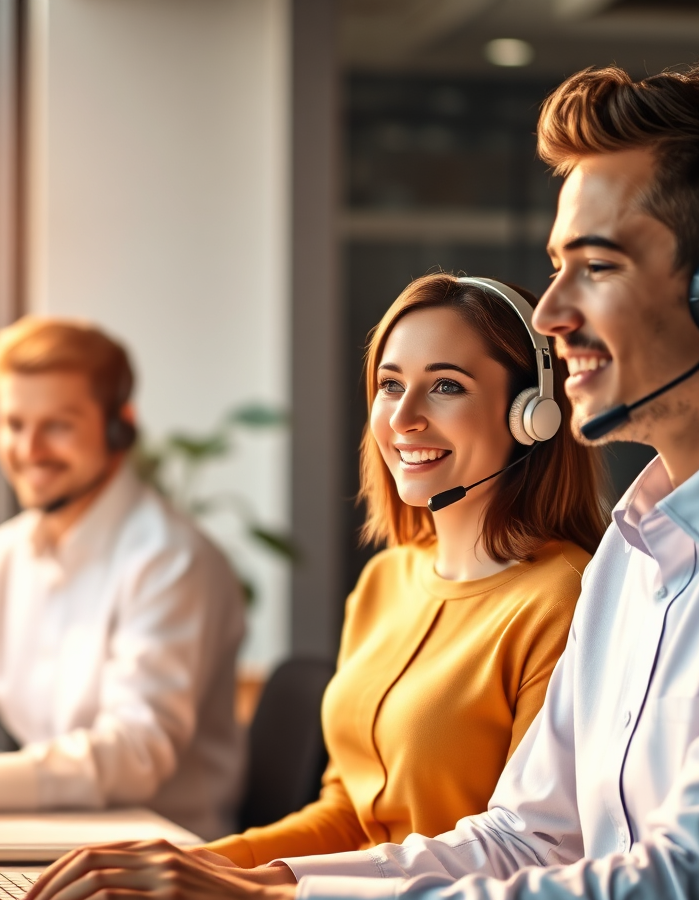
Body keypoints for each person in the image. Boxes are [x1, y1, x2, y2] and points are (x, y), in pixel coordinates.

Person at [12, 55, 699, 900]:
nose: (550, 315)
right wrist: (251, 886)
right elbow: (525, 838)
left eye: (595, 266)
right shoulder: (636, 546)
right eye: (555, 270)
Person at [196, 273, 606, 869]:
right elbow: (346, 816)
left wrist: (260, 889)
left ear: (530, 415)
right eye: (390, 385)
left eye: (445, 385)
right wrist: (201, 865)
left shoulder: (563, 598)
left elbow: (530, 853)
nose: (404, 417)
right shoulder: (385, 583)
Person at [0, 317, 245, 840]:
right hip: (46, 839)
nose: (28, 449)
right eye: (14, 424)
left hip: (157, 857)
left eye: (58, 425)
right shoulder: (4, 555)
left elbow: (136, 750)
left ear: (121, 426)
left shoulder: (170, 559)